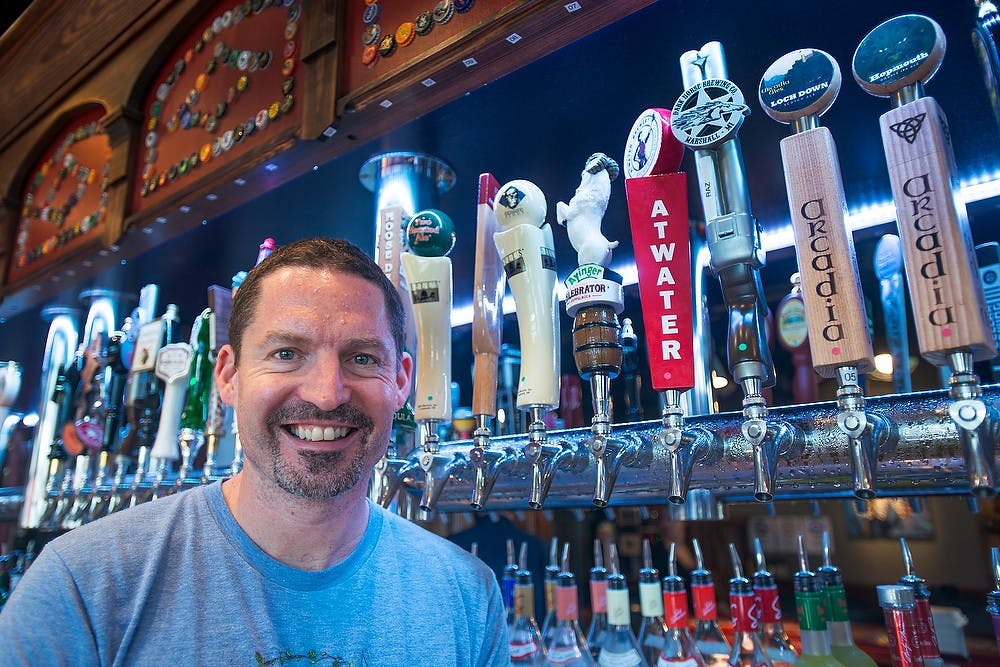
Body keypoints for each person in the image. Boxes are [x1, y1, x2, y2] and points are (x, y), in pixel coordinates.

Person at [0, 238, 509, 665]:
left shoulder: (466, 597)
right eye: (286, 354)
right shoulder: (84, 585)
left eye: (360, 357)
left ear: (401, 382)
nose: (326, 393)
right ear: (227, 374)